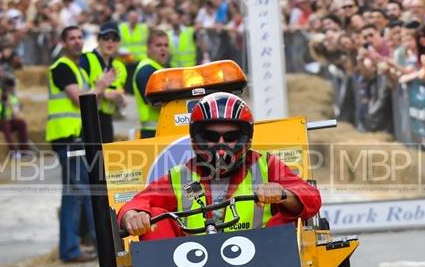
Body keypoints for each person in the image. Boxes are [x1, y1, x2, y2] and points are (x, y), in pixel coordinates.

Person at [119, 92, 322, 239]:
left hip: (264, 265)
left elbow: (311, 197)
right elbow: (135, 203)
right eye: (211, 136)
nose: (221, 143)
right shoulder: (181, 175)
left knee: (288, 217)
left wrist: (283, 193)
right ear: (198, 138)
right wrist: (133, 215)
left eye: (231, 136)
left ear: (245, 138)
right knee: (154, 217)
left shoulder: (265, 164)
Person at [48, 25, 111, 263]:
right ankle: (71, 249)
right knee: (76, 194)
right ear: (63, 43)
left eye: (78, 38)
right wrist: (102, 86)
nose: (76, 42)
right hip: (67, 138)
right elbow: (80, 100)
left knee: (81, 193)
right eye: (71, 38)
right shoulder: (62, 68)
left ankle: (91, 243)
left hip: (76, 138)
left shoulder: (77, 69)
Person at [78, 21, 127, 143]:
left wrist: (119, 99)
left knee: (106, 160)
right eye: (106, 38)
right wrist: (105, 94)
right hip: (87, 119)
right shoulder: (86, 60)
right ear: (98, 39)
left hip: (107, 121)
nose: (110, 42)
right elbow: (79, 93)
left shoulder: (120, 66)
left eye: (114, 38)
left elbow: (121, 100)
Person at [132, 29, 170, 138]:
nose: (163, 48)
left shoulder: (160, 69)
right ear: (148, 48)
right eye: (158, 45)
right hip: (152, 132)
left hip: (163, 129)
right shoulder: (146, 70)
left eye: (166, 45)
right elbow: (156, 103)